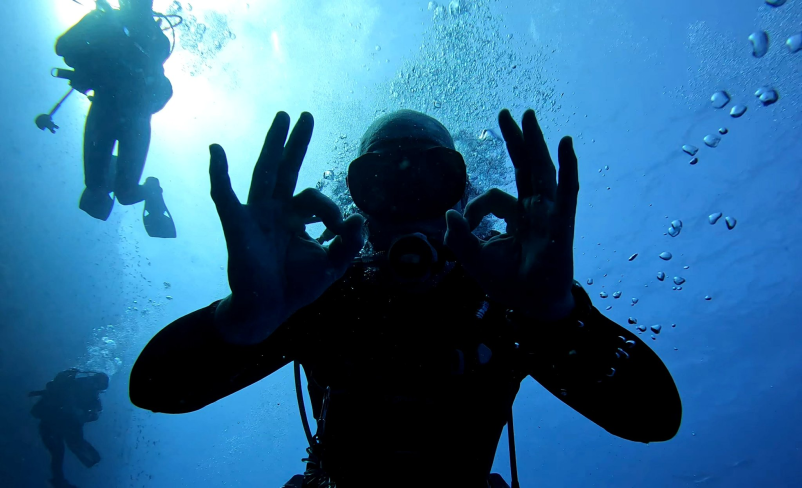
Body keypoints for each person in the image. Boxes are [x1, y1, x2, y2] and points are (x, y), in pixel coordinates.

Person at [129, 109, 682, 487]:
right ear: (359, 203)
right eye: (383, 183)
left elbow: (653, 416)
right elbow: (156, 388)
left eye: (432, 177)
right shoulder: (318, 295)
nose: (408, 199)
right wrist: (244, 319)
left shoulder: (508, 296)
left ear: (462, 196)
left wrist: (556, 320)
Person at [55, 0, 176, 238]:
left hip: (117, 112)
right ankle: (134, 182)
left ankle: (141, 186)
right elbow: (65, 48)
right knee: (111, 193)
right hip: (129, 115)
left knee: (114, 192)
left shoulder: (114, 22)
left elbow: (64, 49)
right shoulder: (153, 37)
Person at [29, 369, 109, 488]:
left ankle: (58, 481)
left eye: (98, 385)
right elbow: (53, 390)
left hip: (57, 424)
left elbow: (93, 415)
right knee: (60, 452)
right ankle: (58, 481)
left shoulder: (76, 385)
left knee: (60, 453)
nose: (93, 385)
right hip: (54, 423)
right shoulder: (74, 385)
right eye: (96, 383)